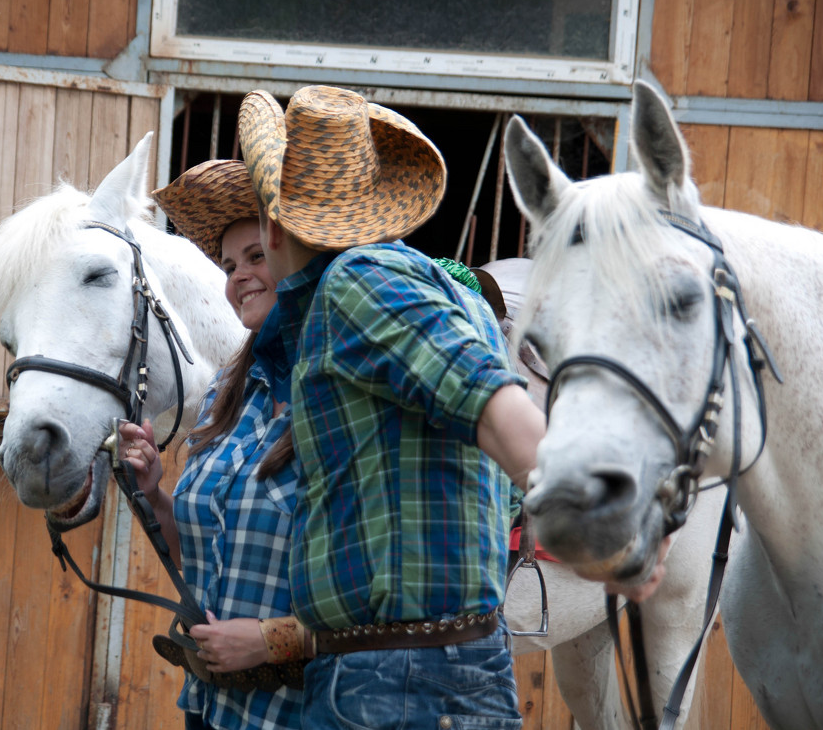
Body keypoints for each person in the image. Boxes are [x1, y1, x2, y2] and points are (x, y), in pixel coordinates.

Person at [235, 85, 664, 730]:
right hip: (417, 671)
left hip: (398, 683)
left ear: (270, 225)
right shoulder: (426, 289)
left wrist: (600, 522)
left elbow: (491, 403)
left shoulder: (357, 284)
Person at [118, 159, 308, 730]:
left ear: (301, 263)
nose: (238, 277)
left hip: (298, 712)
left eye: (257, 257)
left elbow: (378, 596)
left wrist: (272, 642)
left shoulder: (335, 392)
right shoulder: (229, 389)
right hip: (210, 709)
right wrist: (154, 494)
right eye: (229, 265)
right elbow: (198, 554)